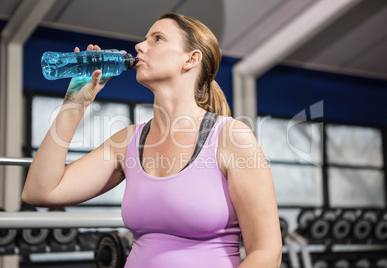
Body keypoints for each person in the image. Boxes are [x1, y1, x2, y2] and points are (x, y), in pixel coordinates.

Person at [22, 13, 282, 268]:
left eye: (157, 38)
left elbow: (267, 253)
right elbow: (40, 191)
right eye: (145, 38)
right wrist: (75, 102)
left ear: (191, 59)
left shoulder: (231, 136)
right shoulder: (128, 141)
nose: (139, 46)